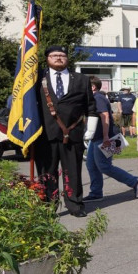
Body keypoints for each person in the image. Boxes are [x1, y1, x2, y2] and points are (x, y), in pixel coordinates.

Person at [34, 45, 97, 217]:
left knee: (73, 172)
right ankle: (47, 207)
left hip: (73, 134)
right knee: (47, 173)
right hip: (45, 135)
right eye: (54, 55)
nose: (58, 58)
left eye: (62, 55)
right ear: (47, 59)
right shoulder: (37, 79)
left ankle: (75, 205)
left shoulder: (82, 79)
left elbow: (91, 107)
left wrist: (89, 130)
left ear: (67, 58)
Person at [84, 76, 138, 203]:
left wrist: (106, 137)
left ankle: (134, 181)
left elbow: (105, 116)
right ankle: (96, 193)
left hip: (105, 137)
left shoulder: (97, 98)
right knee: (91, 165)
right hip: (97, 138)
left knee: (104, 166)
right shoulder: (95, 98)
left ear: (93, 87)